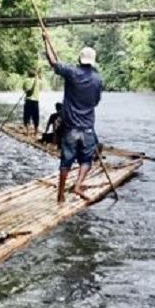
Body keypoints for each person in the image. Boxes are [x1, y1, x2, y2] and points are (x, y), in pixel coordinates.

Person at [42, 31, 104, 203]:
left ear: (79, 59)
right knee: (87, 160)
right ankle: (78, 185)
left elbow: (53, 62)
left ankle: (60, 195)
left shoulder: (71, 73)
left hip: (71, 128)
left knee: (66, 162)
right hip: (88, 128)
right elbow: (96, 101)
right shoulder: (97, 80)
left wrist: (46, 40)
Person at [22, 67, 42, 136]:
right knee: (36, 117)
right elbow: (40, 89)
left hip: (28, 101)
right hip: (36, 101)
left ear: (28, 74)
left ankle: (27, 132)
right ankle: (35, 132)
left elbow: (24, 89)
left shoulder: (26, 80)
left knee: (27, 116)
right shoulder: (39, 81)